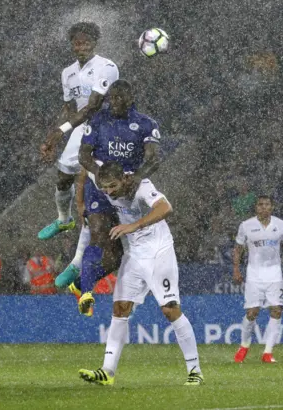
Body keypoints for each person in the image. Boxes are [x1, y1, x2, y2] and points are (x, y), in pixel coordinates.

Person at [78, 162, 203, 386]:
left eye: (113, 186)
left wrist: (134, 225)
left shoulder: (141, 185)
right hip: (134, 253)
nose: (109, 192)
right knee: (120, 309)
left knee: (170, 310)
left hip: (158, 251)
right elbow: (82, 164)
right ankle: (107, 372)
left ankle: (195, 371)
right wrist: (80, 204)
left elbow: (165, 207)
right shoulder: (105, 182)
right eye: (104, 188)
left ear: (124, 179)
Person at [68, 79, 161, 316]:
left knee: (117, 255)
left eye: (120, 98)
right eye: (112, 98)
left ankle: (79, 283)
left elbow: (153, 158)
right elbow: (83, 155)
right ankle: (87, 293)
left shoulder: (146, 124)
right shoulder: (98, 121)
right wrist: (101, 177)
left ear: (130, 98)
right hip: (99, 188)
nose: (115, 102)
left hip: (128, 191)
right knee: (98, 235)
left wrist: (138, 177)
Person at [37, 22, 119, 284]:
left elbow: (93, 106)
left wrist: (59, 132)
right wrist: (56, 135)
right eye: (77, 43)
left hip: (105, 129)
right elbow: (70, 110)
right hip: (80, 128)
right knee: (62, 177)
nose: (81, 46)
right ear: (72, 45)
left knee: (92, 199)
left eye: (86, 42)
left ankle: (76, 263)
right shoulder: (67, 73)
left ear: (94, 43)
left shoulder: (107, 67)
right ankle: (63, 219)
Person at [232, 196, 283, 364]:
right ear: (256, 207)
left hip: (274, 274)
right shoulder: (246, 226)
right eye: (260, 204)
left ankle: (267, 352)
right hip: (254, 274)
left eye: (267, 205)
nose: (264, 207)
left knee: (277, 310)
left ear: (272, 207)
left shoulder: (281, 225)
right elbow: (237, 249)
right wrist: (236, 270)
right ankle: (244, 346)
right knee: (252, 313)